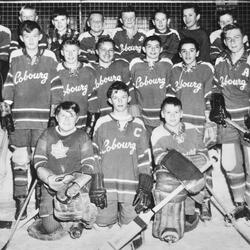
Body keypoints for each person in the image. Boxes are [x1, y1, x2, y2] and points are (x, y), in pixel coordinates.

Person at [2, 20, 63, 221]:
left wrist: (54, 115)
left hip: (42, 120)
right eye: (26, 36)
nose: (31, 40)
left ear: (40, 37)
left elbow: (56, 89)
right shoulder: (16, 60)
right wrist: (6, 111)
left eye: (34, 36)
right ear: (21, 38)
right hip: (20, 119)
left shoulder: (49, 60)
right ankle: (21, 201)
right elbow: (8, 87)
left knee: (40, 161)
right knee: (20, 159)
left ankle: (39, 200)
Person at [92, 81, 153, 248]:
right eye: (115, 97)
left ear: (129, 99)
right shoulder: (102, 122)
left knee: (132, 227)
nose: (119, 101)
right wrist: (96, 182)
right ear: (109, 101)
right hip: (107, 185)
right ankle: (111, 217)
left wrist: (145, 185)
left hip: (131, 185)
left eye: (123, 97)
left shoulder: (138, 124)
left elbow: (144, 156)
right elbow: (94, 154)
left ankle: (125, 219)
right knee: (101, 224)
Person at [27, 101, 99, 240]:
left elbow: (89, 165)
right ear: (56, 117)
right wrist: (49, 180)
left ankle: (79, 219)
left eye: (71, 116)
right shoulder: (47, 135)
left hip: (75, 182)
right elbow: (39, 162)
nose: (67, 119)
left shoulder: (82, 136)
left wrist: (76, 185)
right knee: (50, 228)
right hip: (51, 182)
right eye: (63, 115)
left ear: (77, 118)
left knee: (80, 212)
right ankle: (69, 223)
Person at [167, 37, 215, 220]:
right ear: (180, 54)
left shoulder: (205, 69)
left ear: (197, 52)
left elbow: (210, 97)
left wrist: (210, 123)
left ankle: (205, 201)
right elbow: (171, 99)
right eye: (184, 51)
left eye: (191, 50)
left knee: (203, 163)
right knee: (183, 164)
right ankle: (187, 203)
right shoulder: (175, 70)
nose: (188, 54)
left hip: (200, 125)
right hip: (180, 125)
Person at [151, 96, 208, 243]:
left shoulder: (192, 129)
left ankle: (194, 207)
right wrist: (183, 165)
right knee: (166, 178)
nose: (172, 116)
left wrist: (186, 164)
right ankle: (167, 217)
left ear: (182, 113)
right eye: (168, 112)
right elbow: (159, 158)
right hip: (171, 173)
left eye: (176, 112)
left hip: (193, 171)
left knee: (198, 173)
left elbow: (203, 154)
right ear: (162, 114)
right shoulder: (157, 132)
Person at [210, 23, 250, 220]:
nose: (233, 41)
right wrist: (217, 104)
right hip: (227, 122)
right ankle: (240, 204)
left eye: (236, 37)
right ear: (224, 42)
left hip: (247, 121)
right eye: (229, 38)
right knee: (229, 164)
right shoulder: (220, 60)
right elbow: (216, 87)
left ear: (244, 38)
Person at [129, 35, 173, 135]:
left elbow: (171, 88)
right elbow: (131, 87)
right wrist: (134, 110)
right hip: (142, 115)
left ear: (161, 49)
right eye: (149, 47)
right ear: (144, 49)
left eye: (156, 47)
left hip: (163, 116)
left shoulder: (167, 64)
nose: (153, 50)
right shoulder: (135, 64)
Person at [57, 39, 97, 130]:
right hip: (63, 121)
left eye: (73, 51)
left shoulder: (89, 71)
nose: (70, 55)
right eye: (67, 51)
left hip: (82, 120)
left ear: (79, 52)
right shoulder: (56, 70)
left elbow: (93, 99)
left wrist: (90, 125)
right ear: (62, 52)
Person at [90, 36, 131, 117]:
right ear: (97, 52)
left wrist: (133, 107)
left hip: (122, 113)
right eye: (103, 50)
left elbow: (130, 89)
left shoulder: (122, 65)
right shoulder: (90, 69)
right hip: (100, 115)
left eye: (110, 50)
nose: (107, 53)